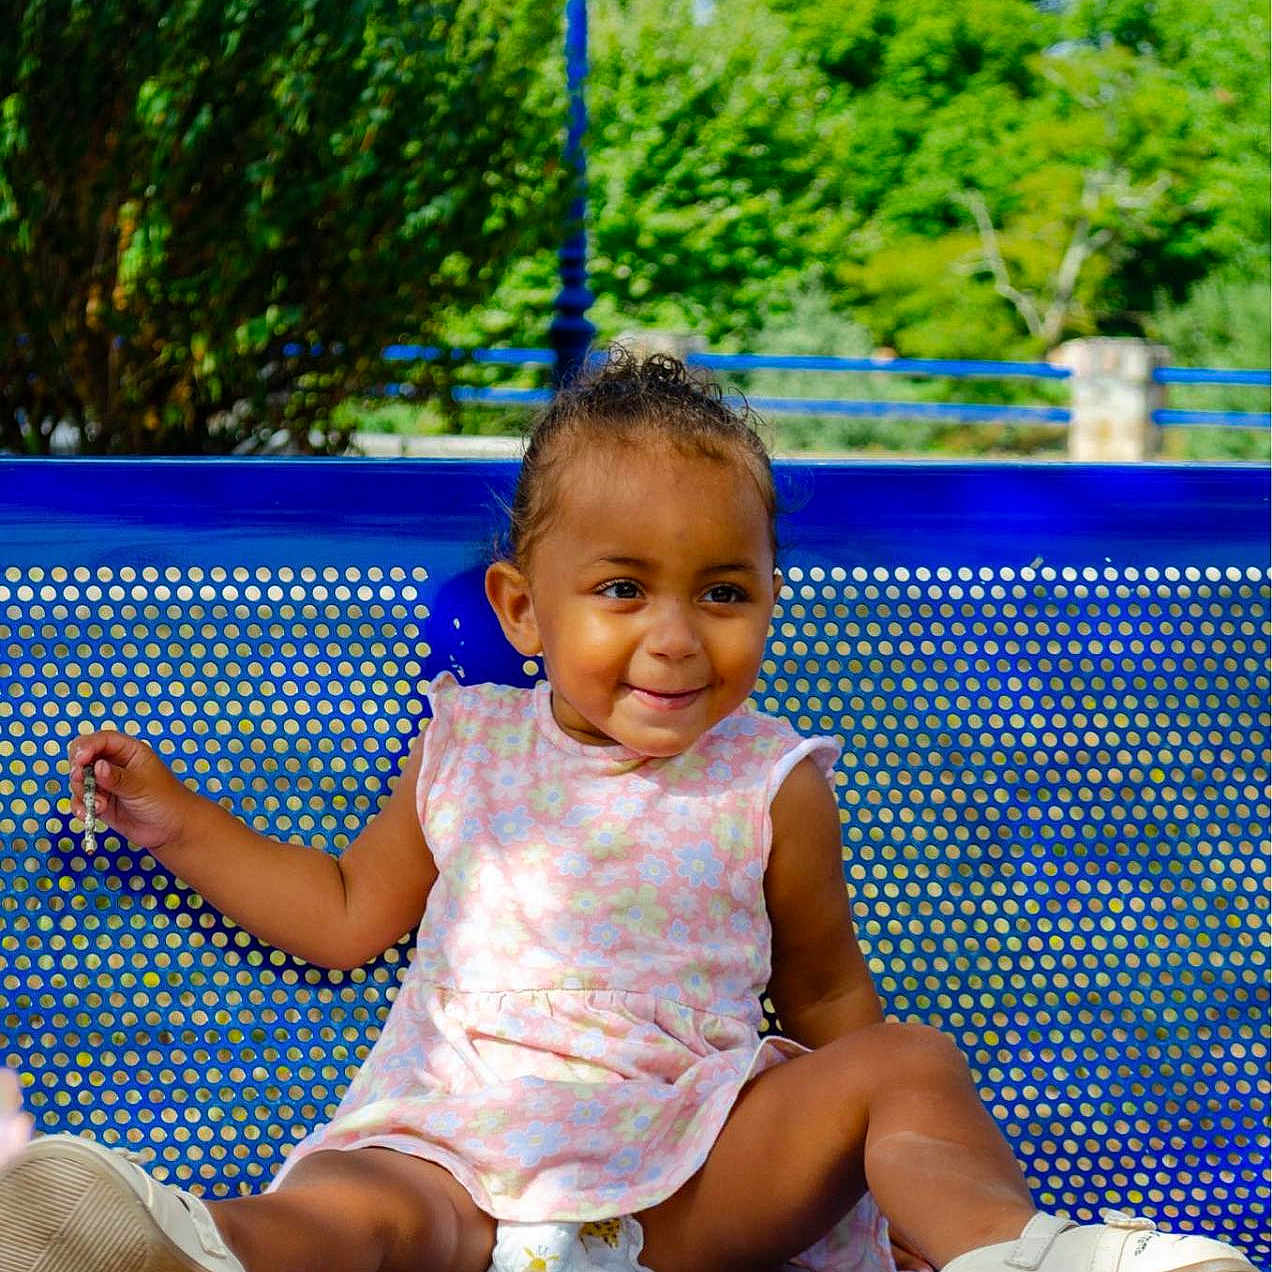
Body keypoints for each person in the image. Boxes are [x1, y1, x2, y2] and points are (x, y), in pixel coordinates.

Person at [0, 352, 1256, 1272]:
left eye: (722, 590)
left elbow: (826, 1008)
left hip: (683, 1188)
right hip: (459, 1157)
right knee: (355, 1205)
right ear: (523, 611)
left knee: (908, 1061)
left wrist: (894, 1202)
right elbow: (340, 914)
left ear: (770, 593)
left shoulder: (773, 781)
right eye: (620, 589)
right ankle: (187, 1251)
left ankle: (1010, 1255)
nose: (673, 638)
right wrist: (180, 824)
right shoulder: (466, 745)